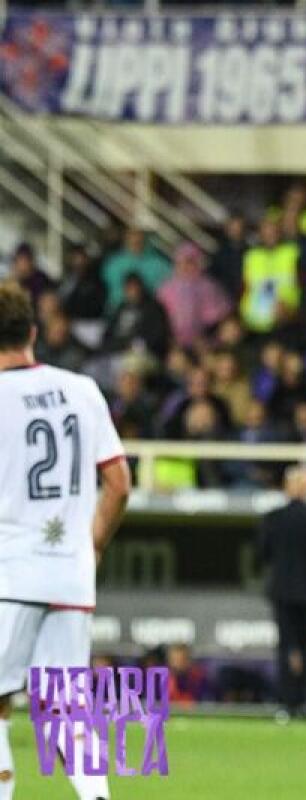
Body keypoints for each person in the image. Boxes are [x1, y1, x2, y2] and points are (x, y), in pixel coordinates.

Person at [0, 281, 131, 800]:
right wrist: (91, 544)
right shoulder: (82, 389)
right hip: (70, 573)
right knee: (64, 704)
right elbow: (119, 483)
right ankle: (95, 796)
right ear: (33, 331)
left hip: (9, 573)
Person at [257, 465, 306, 716]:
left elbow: (262, 554)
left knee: (285, 646)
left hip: (281, 591)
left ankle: (286, 702)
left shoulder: (272, 518)